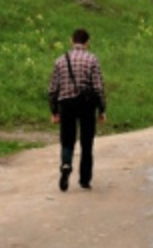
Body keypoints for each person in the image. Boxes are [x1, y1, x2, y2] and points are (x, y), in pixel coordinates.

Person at [48, 28, 107, 191]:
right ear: (87, 43)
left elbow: (53, 88)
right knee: (86, 142)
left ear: (71, 41)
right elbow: (98, 87)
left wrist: (54, 111)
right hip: (87, 105)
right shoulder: (92, 59)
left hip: (66, 104)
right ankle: (84, 179)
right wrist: (102, 109)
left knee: (67, 139)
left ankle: (66, 164)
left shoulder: (60, 60)